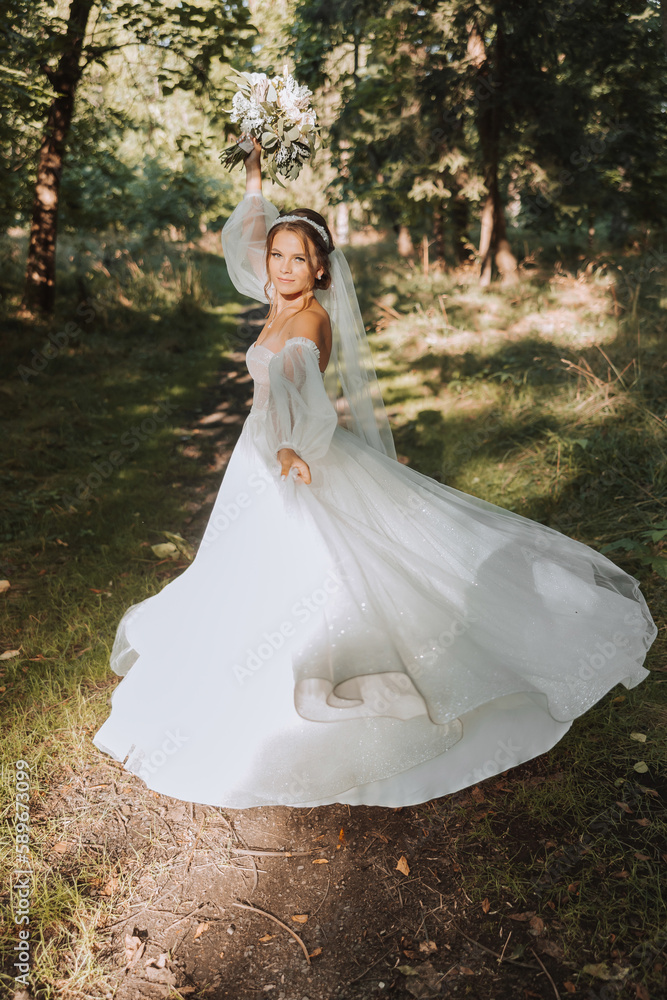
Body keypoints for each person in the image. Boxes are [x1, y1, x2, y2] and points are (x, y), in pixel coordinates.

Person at [92, 137, 657, 809]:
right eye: (276, 255)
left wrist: (291, 449)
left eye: (297, 258)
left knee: (313, 566)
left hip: (286, 458)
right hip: (258, 454)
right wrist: (254, 174)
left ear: (320, 270)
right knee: (243, 571)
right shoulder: (275, 296)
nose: (280, 265)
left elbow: (308, 403)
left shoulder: (306, 321)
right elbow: (243, 248)